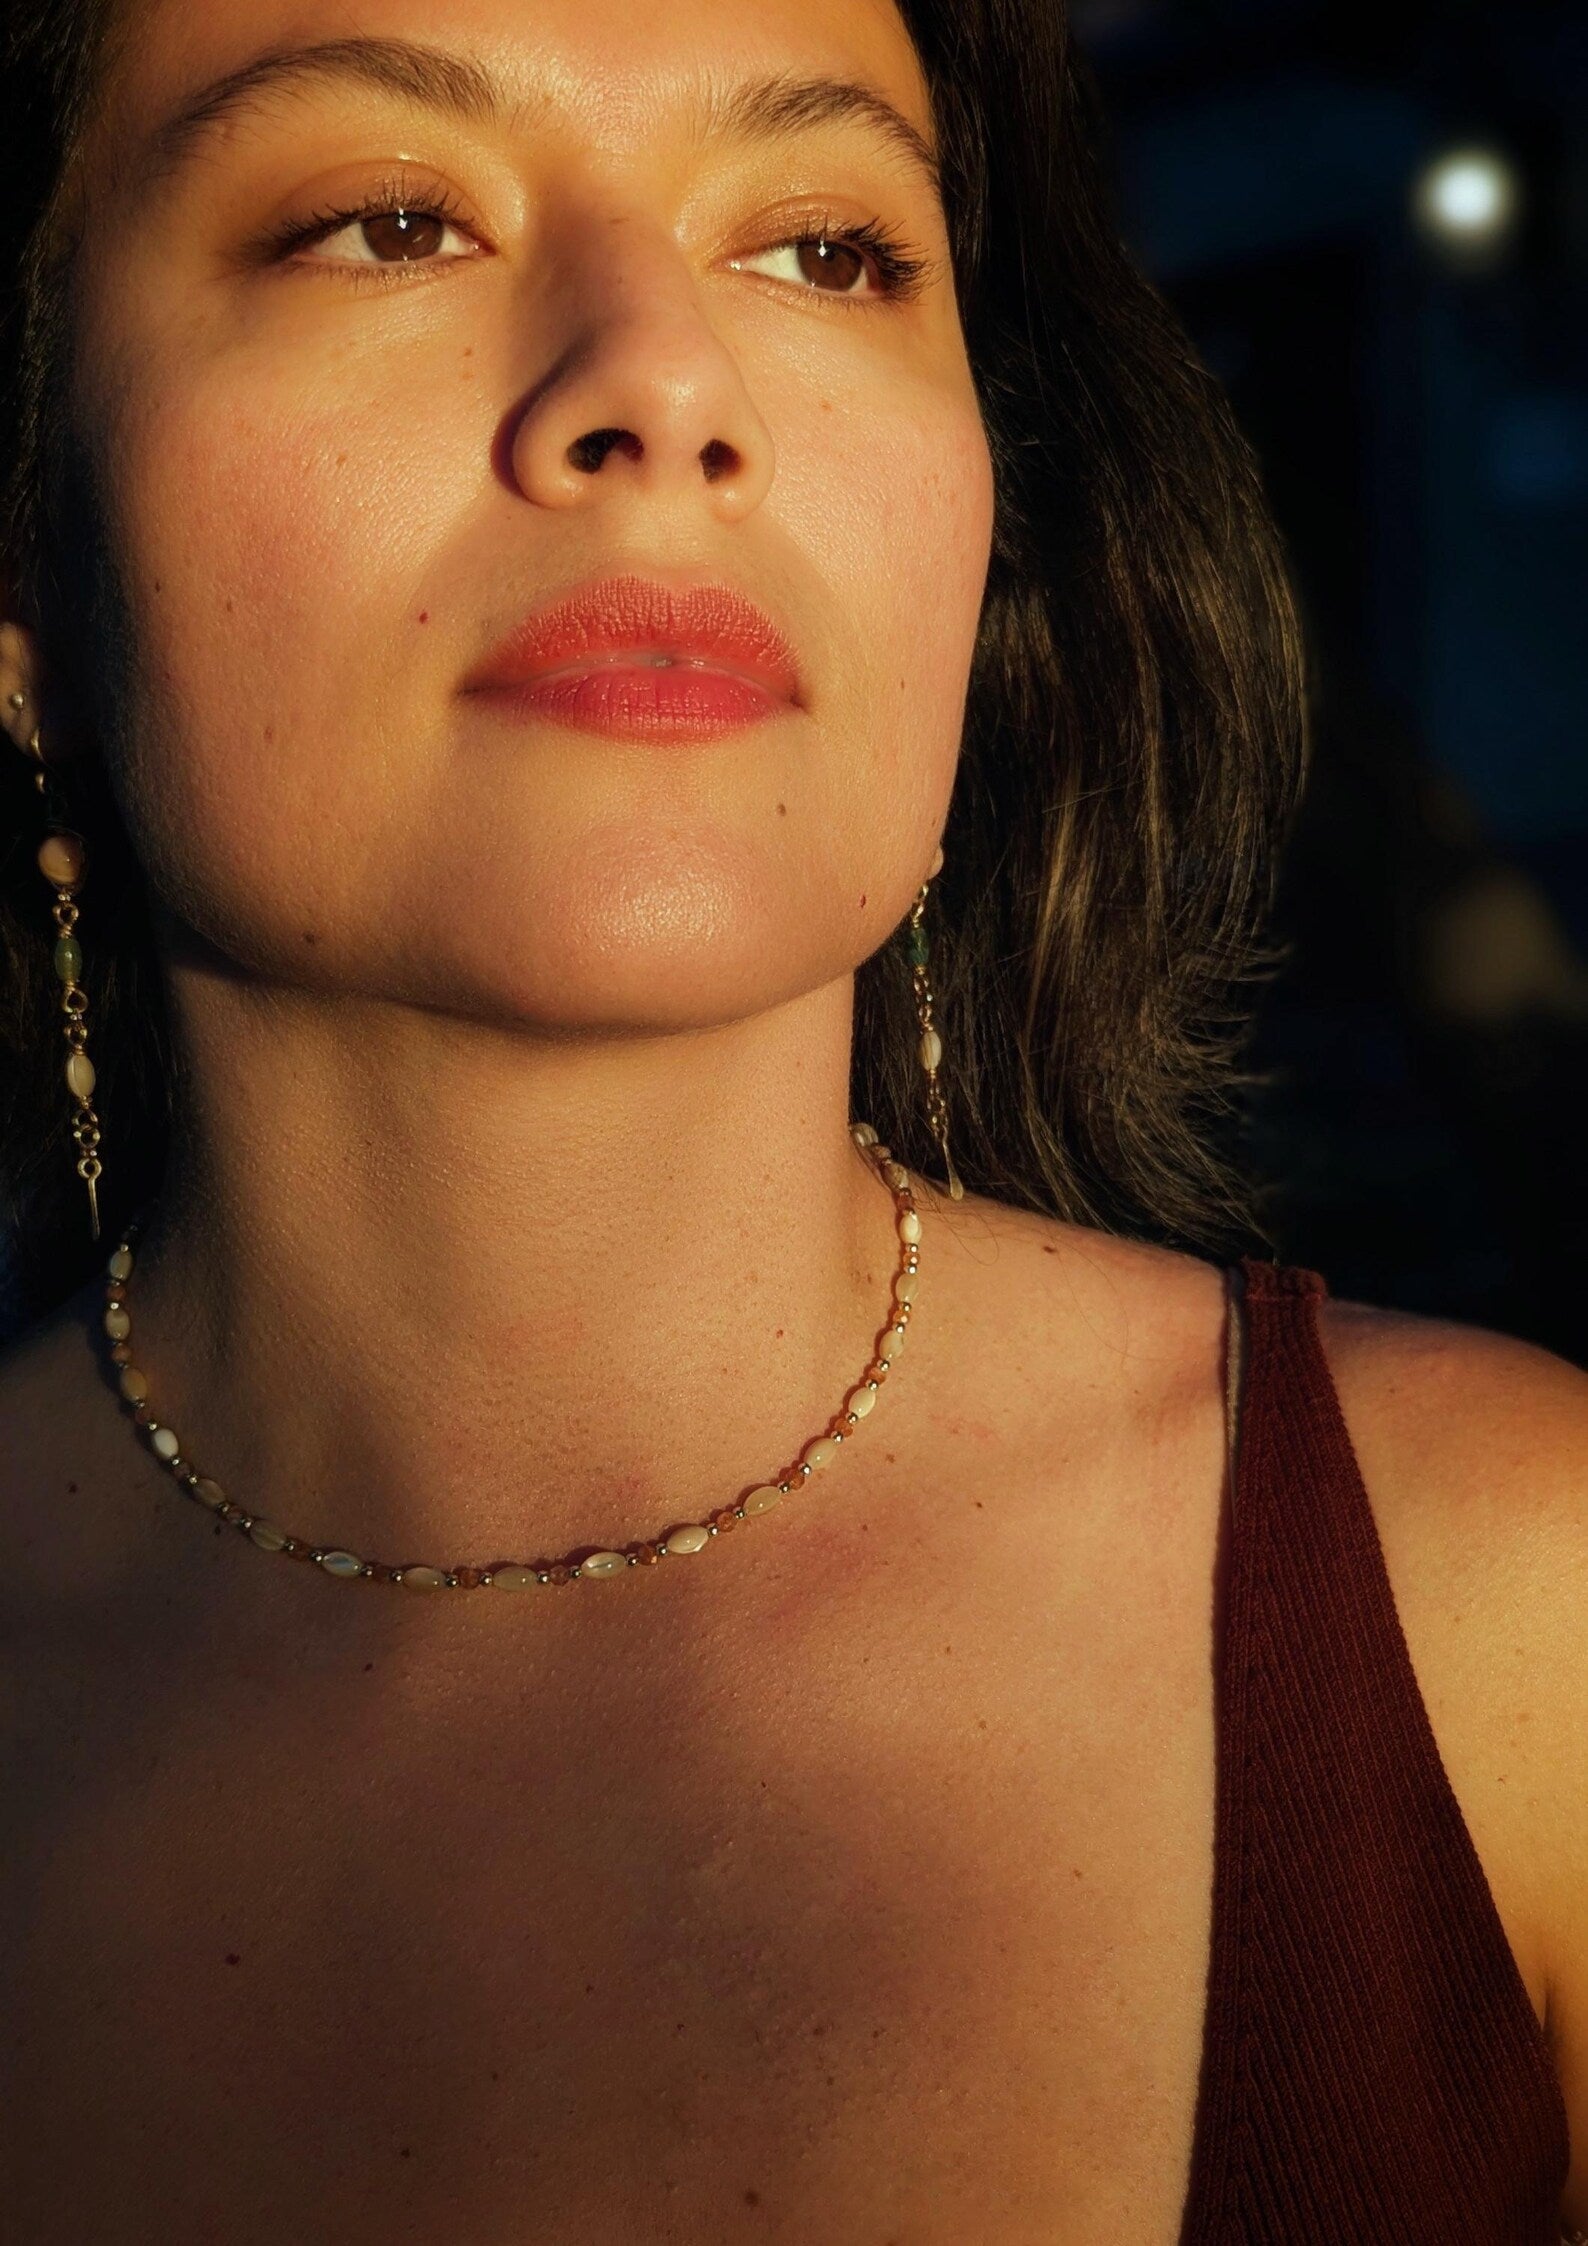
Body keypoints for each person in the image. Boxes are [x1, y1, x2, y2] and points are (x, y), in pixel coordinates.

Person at [0, 0, 1583, 2239]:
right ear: (27, 574)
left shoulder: (1513, 1637)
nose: (661, 378)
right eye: (391, 220)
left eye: (826, 250)